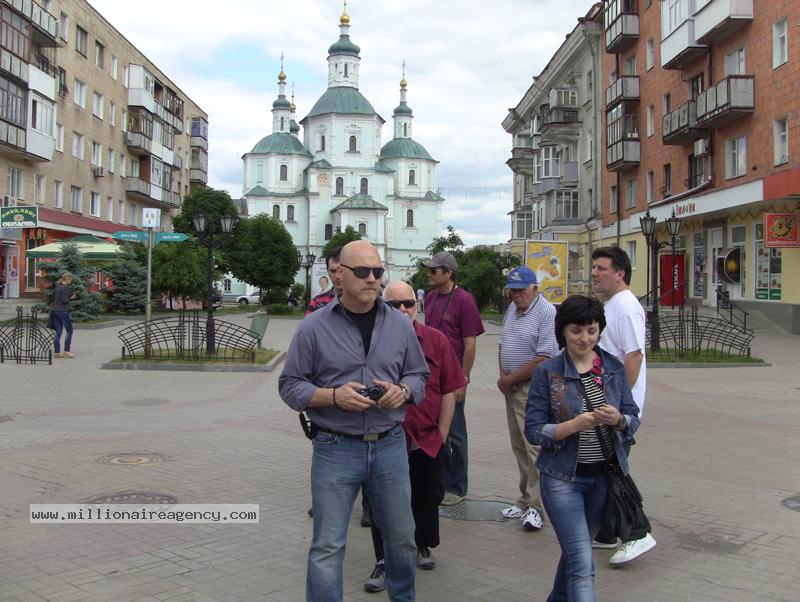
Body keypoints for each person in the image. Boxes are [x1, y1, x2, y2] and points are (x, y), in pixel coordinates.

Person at [279, 240, 430, 602]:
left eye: (378, 271)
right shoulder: (313, 328)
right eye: (362, 272)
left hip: (390, 445)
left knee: (402, 540)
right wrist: (332, 396)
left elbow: (419, 376)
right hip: (335, 447)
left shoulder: (400, 324)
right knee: (328, 546)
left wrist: (403, 392)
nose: (372, 279)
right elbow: (290, 385)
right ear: (340, 276)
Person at [526, 295, 640, 602]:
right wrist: (574, 425)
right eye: (576, 330)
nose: (585, 338)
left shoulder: (613, 368)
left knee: (576, 556)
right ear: (563, 330)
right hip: (562, 479)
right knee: (582, 564)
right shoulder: (547, 372)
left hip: (603, 479)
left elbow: (633, 419)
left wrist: (619, 420)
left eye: (591, 330)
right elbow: (533, 431)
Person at [363, 281, 465, 593]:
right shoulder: (372, 343)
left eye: (408, 304)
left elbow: (450, 388)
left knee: (426, 496)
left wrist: (444, 432)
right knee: (382, 504)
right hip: (384, 440)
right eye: (394, 305)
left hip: (426, 438)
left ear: (416, 306)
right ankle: (384, 560)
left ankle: (422, 544)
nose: (402, 310)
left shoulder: (436, 341)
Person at [590, 246, 657, 565]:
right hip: (609, 404)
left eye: (601, 268)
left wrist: (619, 405)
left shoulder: (627, 307)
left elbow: (633, 356)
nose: (594, 273)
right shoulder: (613, 305)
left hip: (619, 409)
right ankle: (606, 532)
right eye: (594, 268)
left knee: (615, 472)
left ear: (620, 273)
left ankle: (637, 532)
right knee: (606, 470)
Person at [305, 245, 371, 527]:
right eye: (331, 271)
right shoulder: (319, 304)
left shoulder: (371, 307)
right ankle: (325, 501)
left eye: (338, 270)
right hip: (330, 409)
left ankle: (370, 504)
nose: (335, 276)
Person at [497, 266, 558, 531]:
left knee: (533, 446)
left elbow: (545, 357)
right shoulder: (513, 309)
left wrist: (510, 379)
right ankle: (524, 498)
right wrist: (502, 376)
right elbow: (503, 343)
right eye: (513, 290)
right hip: (511, 386)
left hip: (532, 387)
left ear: (535, 288)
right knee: (518, 445)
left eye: (521, 290)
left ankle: (537, 506)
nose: (516, 295)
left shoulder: (546, 312)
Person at [421, 251, 484, 505]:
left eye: (434, 270)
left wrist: (464, 380)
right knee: (438, 431)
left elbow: (469, 345)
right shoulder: (433, 298)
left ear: (449, 273)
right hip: (432, 379)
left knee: (456, 433)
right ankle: (440, 482)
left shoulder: (464, 300)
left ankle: (457, 487)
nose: (429, 273)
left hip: (454, 379)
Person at [305, 246, 343, 315]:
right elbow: (308, 325)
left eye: (342, 271)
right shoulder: (317, 301)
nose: (337, 276)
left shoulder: (361, 300)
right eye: (333, 271)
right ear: (327, 271)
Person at [51, 273, 75, 359]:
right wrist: (71, 298)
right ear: (67, 280)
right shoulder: (65, 288)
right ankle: (66, 351)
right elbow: (64, 300)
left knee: (58, 332)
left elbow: (55, 297)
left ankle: (56, 352)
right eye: (70, 281)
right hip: (62, 311)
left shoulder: (57, 286)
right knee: (70, 330)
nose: (70, 282)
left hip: (55, 311)